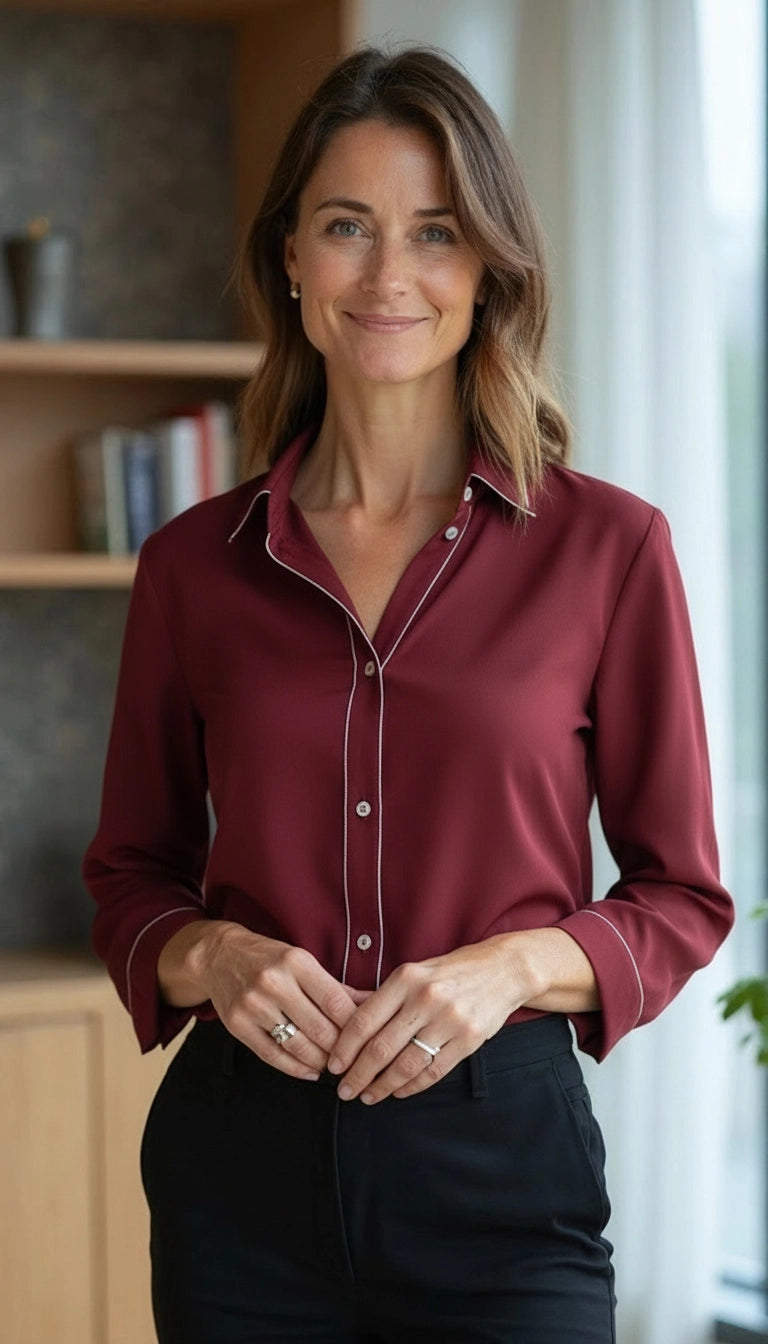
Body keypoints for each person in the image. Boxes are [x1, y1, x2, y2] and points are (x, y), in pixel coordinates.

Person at [83, 44, 734, 1344]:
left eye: (435, 232)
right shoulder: (191, 566)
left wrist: (509, 968)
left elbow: (682, 895)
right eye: (347, 226)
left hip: (505, 1175)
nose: (389, 275)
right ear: (291, 258)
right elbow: (131, 872)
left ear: (487, 267)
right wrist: (211, 953)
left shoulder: (610, 549)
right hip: (238, 1178)